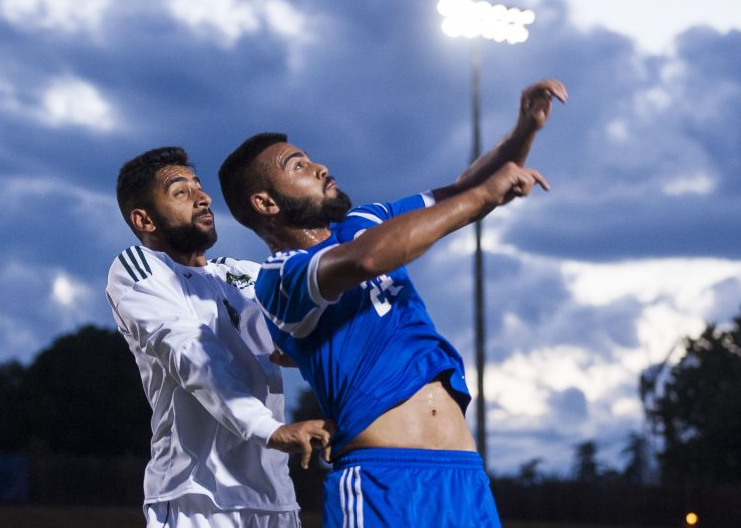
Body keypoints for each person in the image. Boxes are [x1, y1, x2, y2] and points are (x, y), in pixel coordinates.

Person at [217, 79, 567, 527]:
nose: (320, 167)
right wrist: (482, 198)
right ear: (265, 202)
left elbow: (463, 188)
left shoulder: (366, 219)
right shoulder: (280, 278)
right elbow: (368, 258)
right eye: (298, 165)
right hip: (383, 484)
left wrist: (524, 131)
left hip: (464, 479)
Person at [106, 147, 333, 528]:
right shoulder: (137, 269)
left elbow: (311, 321)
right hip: (198, 501)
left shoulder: (243, 274)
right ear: (144, 220)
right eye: (181, 192)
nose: (203, 196)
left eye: (199, 186)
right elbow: (191, 353)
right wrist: (270, 429)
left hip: (276, 501)